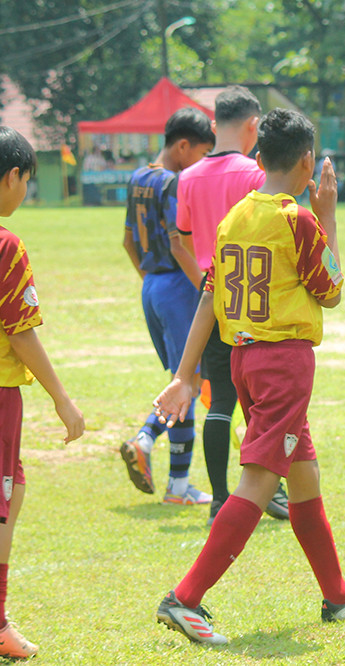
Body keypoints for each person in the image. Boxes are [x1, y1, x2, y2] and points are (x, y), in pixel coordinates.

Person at [153, 108, 345, 645]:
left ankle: (339, 597)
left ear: (258, 158)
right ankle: (184, 599)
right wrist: (326, 217)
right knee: (259, 483)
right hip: (283, 364)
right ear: (309, 163)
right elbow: (331, 290)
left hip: (244, 361)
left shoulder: (236, 217)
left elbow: (210, 298)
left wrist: (184, 372)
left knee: (303, 478)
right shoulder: (297, 219)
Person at [174, 86, 288, 526]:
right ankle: (267, 488)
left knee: (220, 399)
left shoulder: (188, 177)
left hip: (214, 297)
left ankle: (222, 497)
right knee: (264, 400)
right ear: (252, 125)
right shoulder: (252, 173)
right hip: (256, 296)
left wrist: (206, 285)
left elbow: (183, 240)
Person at [0, 126, 85, 658]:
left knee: (17, 486)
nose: (25, 192)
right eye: (26, 181)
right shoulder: (6, 245)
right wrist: (61, 397)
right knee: (3, 502)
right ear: (12, 177)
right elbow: (19, 330)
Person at [119, 108, 215, 505]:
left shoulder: (138, 177)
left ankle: (153, 447)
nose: (202, 163)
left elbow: (127, 242)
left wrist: (152, 284)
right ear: (182, 146)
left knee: (185, 379)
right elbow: (180, 243)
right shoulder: (174, 183)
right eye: (202, 153)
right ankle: (173, 479)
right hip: (178, 285)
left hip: (151, 284)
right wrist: (206, 290)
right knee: (188, 380)